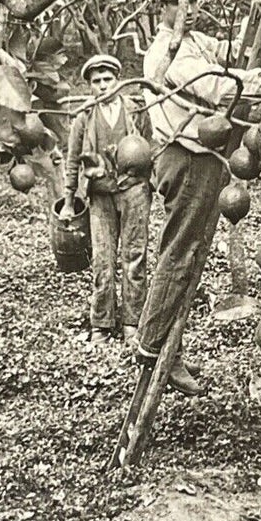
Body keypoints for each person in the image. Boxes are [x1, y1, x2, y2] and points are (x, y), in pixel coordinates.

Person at [135, 0, 261, 397]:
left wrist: (259, 21)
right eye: (183, 2)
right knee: (181, 251)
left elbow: (229, 55)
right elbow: (216, 85)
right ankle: (150, 346)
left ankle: (170, 349)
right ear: (163, 8)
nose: (192, 9)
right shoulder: (169, 52)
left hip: (206, 156)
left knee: (192, 251)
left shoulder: (194, 41)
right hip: (186, 159)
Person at [64, 53, 153, 347]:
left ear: (118, 81)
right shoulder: (84, 116)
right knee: (102, 260)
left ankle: (132, 322)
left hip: (133, 191)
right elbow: (73, 159)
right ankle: (101, 323)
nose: (103, 86)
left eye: (108, 80)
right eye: (97, 81)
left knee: (134, 257)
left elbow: (151, 146)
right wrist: (68, 199)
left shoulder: (136, 110)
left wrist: (152, 182)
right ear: (90, 85)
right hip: (100, 195)